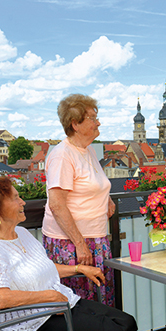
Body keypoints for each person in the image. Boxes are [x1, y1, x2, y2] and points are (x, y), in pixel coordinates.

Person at [0, 177, 137, 331]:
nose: (22, 202)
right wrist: (48, 296)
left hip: (59, 306)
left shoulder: (22, 233)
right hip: (32, 323)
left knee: (127, 323)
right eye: (15, 198)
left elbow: (44, 268)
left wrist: (78, 268)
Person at [42, 94, 116, 306]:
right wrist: (80, 245)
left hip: (95, 238)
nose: (98, 122)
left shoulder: (88, 150)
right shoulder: (62, 155)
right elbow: (57, 205)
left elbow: (92, 181)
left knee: (102, 301)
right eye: (92, 118)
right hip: (72, 244)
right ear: (75, 124)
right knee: (83, 305)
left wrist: (106, 199)